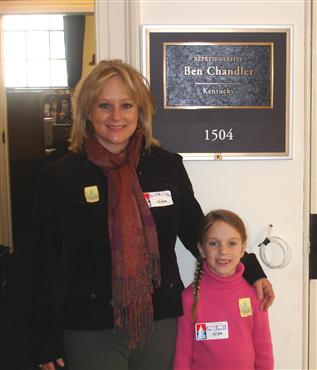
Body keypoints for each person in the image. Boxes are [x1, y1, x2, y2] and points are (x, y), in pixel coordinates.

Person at [30, 60, 274, 370]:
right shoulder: (59, 177)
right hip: (90, 326)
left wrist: (251, 268)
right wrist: (42, 340)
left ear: (140, 112)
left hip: (159, 323)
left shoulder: (166, 166)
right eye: (104, 105)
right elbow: (43, 264)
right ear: (87, 112)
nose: (116, 116)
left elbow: (198, 233)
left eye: (127, 105)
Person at [173, 209, 274, 370]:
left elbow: (264, 349)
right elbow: (183, 354)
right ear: (201, 248)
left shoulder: (254, 294)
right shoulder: (189, 298)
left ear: (242, 249)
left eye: (232, 243)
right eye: (214, 243)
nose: (223, 251)